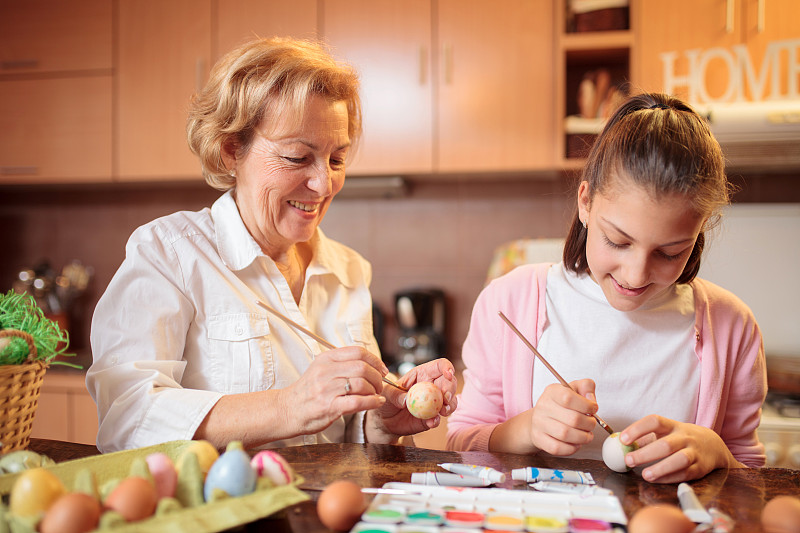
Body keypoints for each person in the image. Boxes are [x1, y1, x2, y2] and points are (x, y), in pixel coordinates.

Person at [87, 37, 457, 453]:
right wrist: (288, 406)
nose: (323, 183)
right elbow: (127, 418)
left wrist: (381, 423)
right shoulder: (169, 254)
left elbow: (344, 435)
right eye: (298, 157)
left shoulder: (348, 269)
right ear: (231, 151)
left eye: (337, 159)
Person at [446, 92, 766, 484]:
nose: (635, 275)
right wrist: (526, 430)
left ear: (698, 232)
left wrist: (717, 453)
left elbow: (752, 477)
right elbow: (459, 443)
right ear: (585, 203)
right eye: (617, 241)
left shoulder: (732, 326)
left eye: (669, 253)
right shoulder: (510, 301)